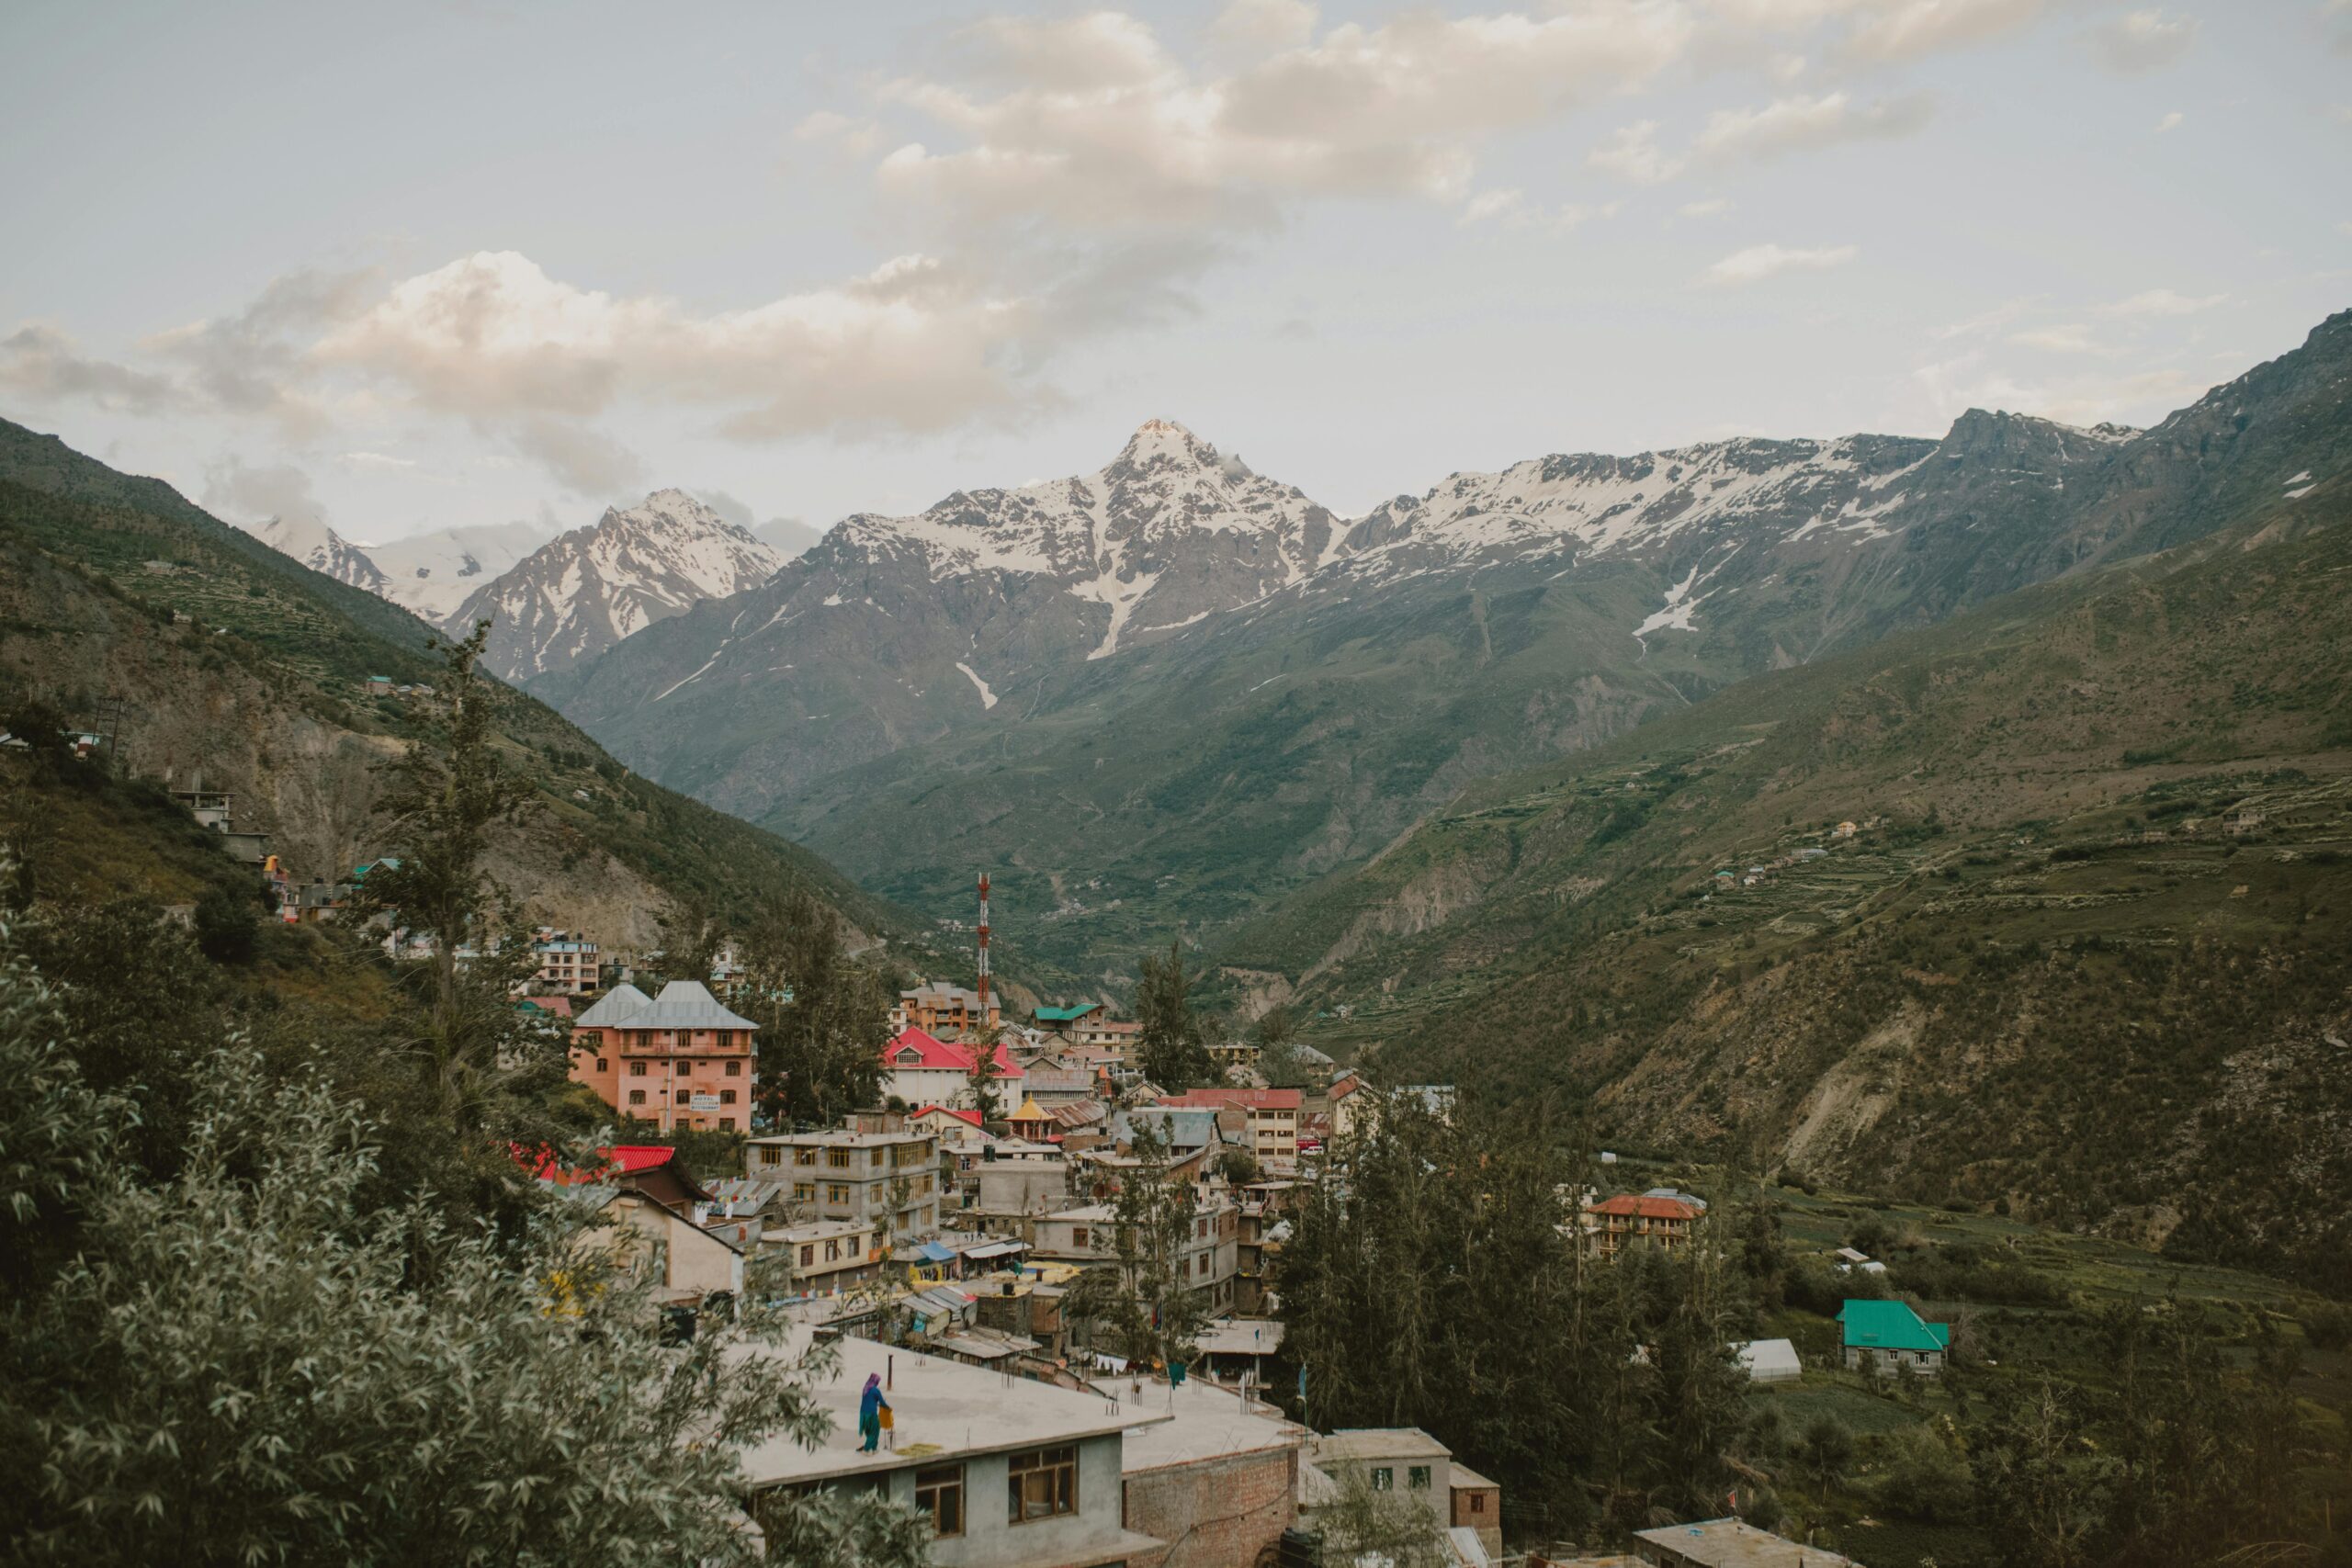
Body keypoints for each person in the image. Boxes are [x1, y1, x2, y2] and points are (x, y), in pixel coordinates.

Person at [858, 1372, 890, 1452]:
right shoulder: (876, 1390)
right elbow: (882, 1402)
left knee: (868, 1431)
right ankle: (866, 1449)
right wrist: (888, 1408)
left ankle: (874, 1448)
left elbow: (869, 1400)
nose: (877, 1383)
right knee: (875, 1430)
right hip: (871, 1414)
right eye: (877, 1381)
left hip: (863, 1414)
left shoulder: (865, 1388)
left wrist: (876, 1403)